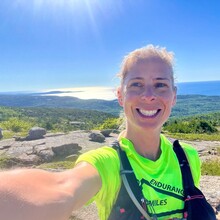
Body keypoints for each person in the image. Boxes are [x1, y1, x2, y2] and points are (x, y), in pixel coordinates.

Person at [0, 45, 200, 220]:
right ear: (121, 96)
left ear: (173, 96)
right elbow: (63, 187)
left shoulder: (188, 158)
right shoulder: (107, 163)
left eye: (160, 85)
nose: (148, 95)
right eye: (136, 84)